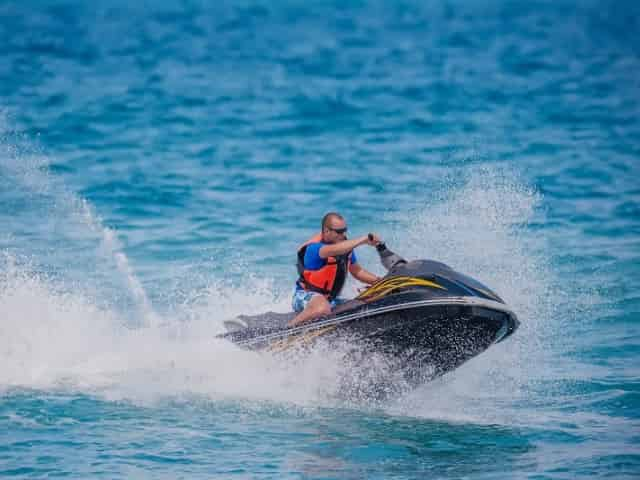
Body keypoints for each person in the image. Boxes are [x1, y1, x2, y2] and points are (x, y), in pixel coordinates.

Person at [289, 212, 382, 327]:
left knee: (365, 303)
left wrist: (381, 282)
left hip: (329, 300)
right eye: (339, 232)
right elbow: (332, 250)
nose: (343, 235)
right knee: (322, 308)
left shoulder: (344, 248)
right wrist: (363, 239)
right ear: (327, 231)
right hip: (304, 296)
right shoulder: (315, 249)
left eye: (345, 230)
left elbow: (358, 271)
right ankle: (288, 329)